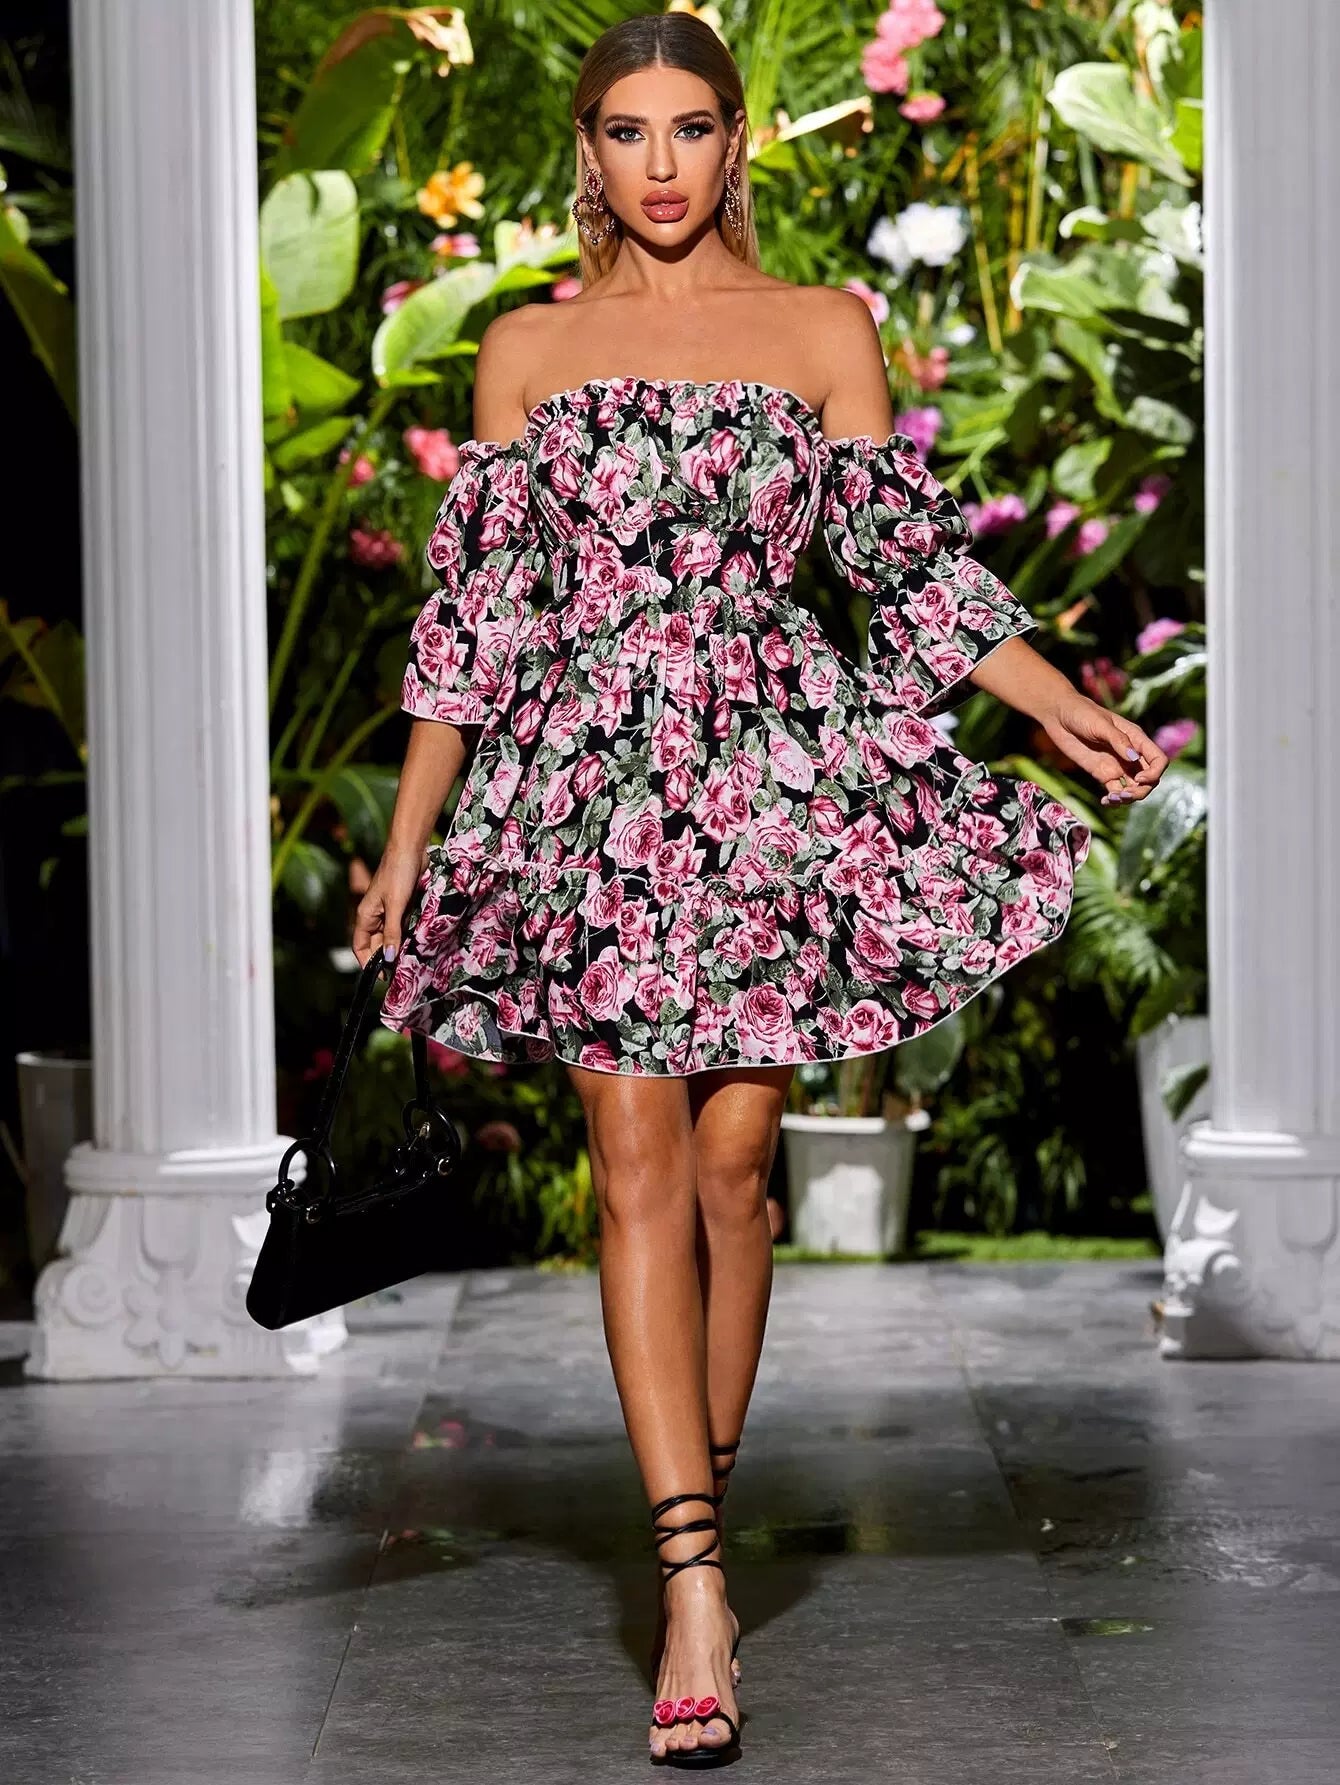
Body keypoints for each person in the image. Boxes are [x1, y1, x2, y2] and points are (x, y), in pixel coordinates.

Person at [353, 11, 1168, 1767]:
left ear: (736, 144)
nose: (660, 163)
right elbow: (475, 626)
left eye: (691, 128)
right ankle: (694, 1582)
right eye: (627, 131)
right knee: (634, 1157)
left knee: (733, 1169)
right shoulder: (522, 353)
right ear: (591, 152)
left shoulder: (822, 330)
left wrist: (1059, 703)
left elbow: (906, 568)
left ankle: (699, 1493)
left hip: (771, 779)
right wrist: (414, 837)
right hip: (586, 787)